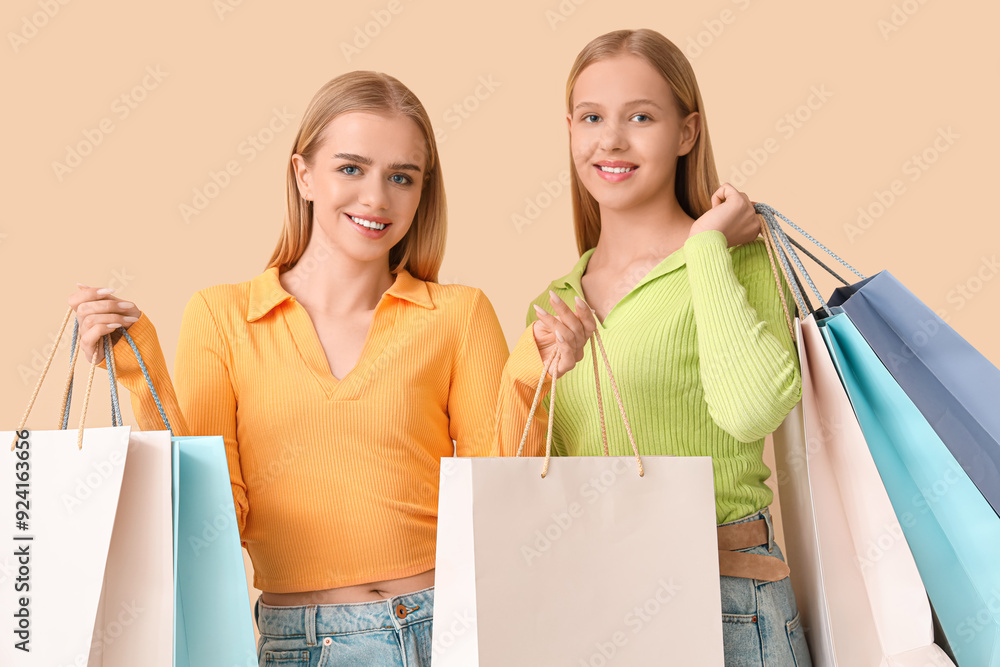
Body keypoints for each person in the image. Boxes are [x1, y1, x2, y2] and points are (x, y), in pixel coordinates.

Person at [70, 70, 509, 666]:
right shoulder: (223, 317)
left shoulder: (458, 314)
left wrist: (537, 367)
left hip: (447, 626)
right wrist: (138, 368)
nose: (376, 197)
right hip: (303, 639)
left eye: (401, 177)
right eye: (350, 168)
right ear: (303, 175)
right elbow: (212, 518)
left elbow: (501, 493)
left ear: (422, 192)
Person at [493, 29, 811, 666]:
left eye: (640, 117)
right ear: (571, 131)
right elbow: (521, 482)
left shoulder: (736, 261)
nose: (611, 140)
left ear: (687, 133)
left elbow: (752, 412)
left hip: (726, 601)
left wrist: (704, 249)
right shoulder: (553, 304)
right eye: (592, 118)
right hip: (594, 606)